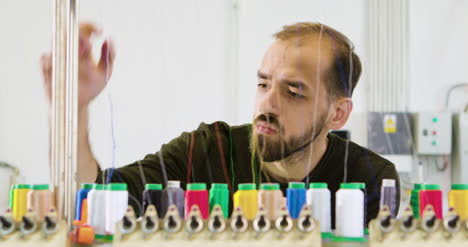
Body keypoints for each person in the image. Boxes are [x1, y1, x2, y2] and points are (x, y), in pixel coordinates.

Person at [41, 22, 399, 225]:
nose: (267, 103)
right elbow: (95, 198)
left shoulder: (370, 177)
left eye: (293, 92)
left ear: (338, 113)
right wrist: (74, 108)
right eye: (263, 84)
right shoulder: (204, 150)